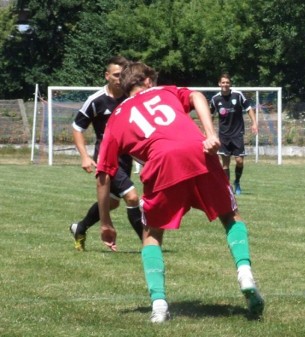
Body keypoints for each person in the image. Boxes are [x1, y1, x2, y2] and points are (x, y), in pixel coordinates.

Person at [95, 62, 264, 323]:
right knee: (230, 216)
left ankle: (159, 305)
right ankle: (244, 273)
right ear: (148, 81)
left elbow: (103, 174)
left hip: (162, 162)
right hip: (199, 151)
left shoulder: (116, 118)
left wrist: (106, 221)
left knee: (152, 235)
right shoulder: (165, 92)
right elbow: (197, 95)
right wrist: (209, 134)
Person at [69, 56, 143, 251]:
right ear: (107, 75)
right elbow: (77, 128)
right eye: (117, 75)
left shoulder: (131, 98)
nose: (120, 79)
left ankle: (80, 227)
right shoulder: (96, 101)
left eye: (123, 75)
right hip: (106, 157)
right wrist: (84, 156)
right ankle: (149, 244)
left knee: (112, 203)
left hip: (125, 157)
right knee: (133, 197)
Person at [210, 73, 258, 195]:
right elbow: (210, 116)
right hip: (224, 135)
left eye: (227, 82)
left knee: (239, 161)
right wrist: (208, 131)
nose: (225, 84)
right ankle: (228, 187)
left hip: (237, 133)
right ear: (219, 84)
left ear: (230, 84)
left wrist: (254, 123)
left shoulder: (238, 95)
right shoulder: (215, 99)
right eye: (223, 82)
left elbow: (249, 108)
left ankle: (237, 181)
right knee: (225, 164)